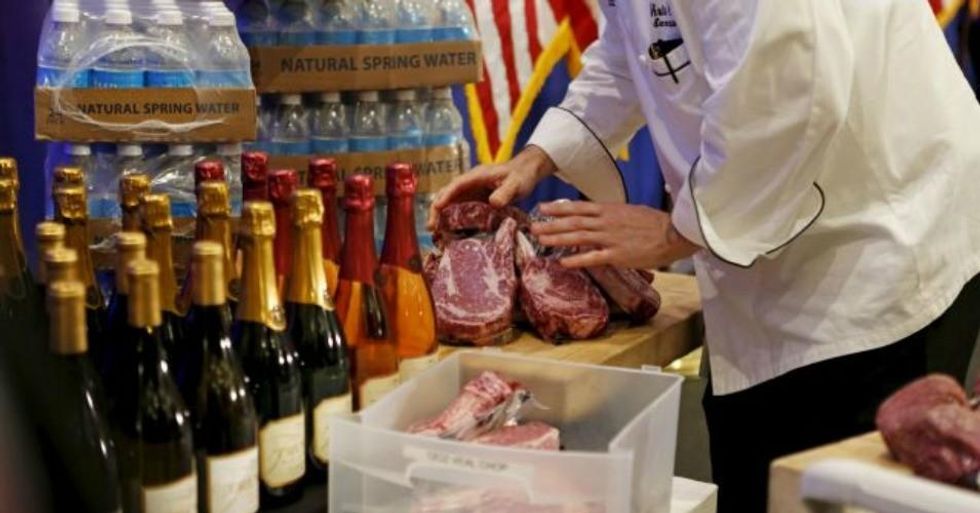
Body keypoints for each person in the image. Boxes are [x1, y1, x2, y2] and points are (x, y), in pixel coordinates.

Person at [430, 1, 980, 511]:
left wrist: (674, 233)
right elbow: (642, 43)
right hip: (776, 256)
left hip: (881, 244)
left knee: (828, 493)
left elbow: (797, 96)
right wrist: (537, 157)